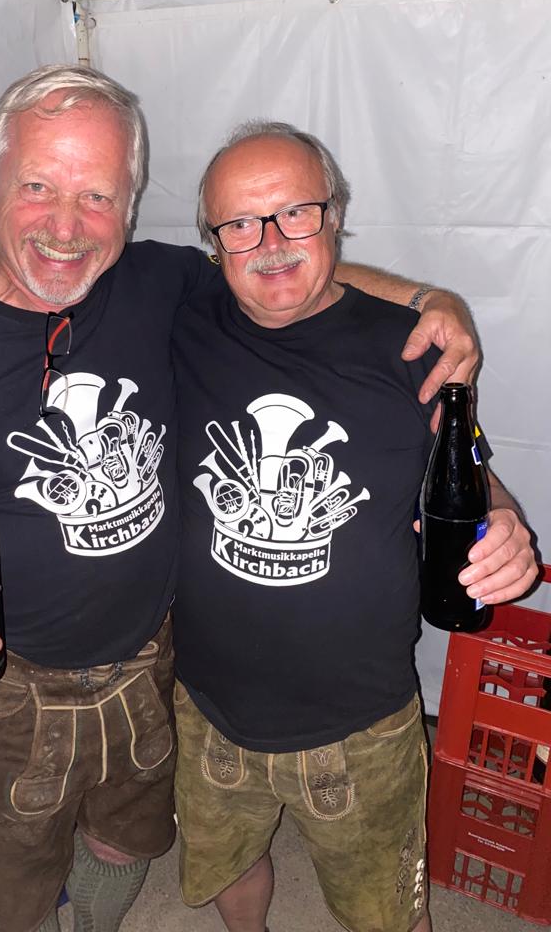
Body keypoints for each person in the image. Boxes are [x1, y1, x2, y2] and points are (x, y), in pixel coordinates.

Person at [0, 67, 483, 932]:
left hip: (156, 665)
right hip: (7, 683)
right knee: (15, 881)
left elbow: (287, 272)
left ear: (129, 208)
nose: (65, 227)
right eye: (39, 187)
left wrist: (430, 301)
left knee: (130, 840)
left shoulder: (159, 283)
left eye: (96, 196)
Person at [171, 121, 539, 932]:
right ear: (214, 243)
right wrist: (428, 290)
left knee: (386, 913)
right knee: (229, 862)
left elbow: (470, 474)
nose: (270, 242)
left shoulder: (413, 350)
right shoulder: (181, 317)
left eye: (295, 212)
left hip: (364, 721)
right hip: (208, 705)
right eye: (241, 223)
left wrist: (505, 521)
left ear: (334, 214)